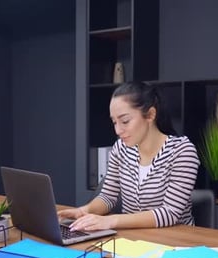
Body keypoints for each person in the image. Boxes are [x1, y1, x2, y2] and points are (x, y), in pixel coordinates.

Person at [58, 81, 200, 231]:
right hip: (133, 241)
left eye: (125, 121)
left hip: (176, 242)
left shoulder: (182, 151)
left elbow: (169, 213)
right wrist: (82, 211)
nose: (118, 130)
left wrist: (111, 221)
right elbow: (108, 197)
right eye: (114, 122)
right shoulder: (120, 148)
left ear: (150, 115)